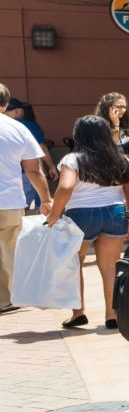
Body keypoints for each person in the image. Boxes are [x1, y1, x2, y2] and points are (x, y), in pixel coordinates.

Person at [43, 115, 129, 330]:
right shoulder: (121, 159)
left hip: (80, 216)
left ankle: (78, 312)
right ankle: (112, 315)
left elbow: (66, 187)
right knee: (110, 266)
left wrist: (54, 215)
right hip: (115, 213)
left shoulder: (73, 159)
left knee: (75, 263)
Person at [0, 84, 52, 317]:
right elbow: (33, 170)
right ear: (5, 104)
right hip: (9, 201)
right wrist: (46, 199)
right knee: (9, 253)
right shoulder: (18, 129)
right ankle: (5, 300)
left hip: (10, 200)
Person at [96, 92, 129, 157]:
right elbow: (112, 147)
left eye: (124, 107)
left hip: (125, 164)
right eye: (119, 107)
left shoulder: (124, 124)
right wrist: (116, 124)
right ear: (108, 107)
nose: (123, 110)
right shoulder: (100, 126)